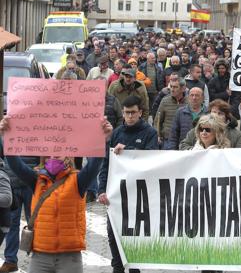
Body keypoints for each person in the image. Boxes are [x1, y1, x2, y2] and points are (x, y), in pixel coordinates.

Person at [0, 117, 112, 273]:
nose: (54, 154)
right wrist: (7, 138)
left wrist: (102, 140)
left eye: (59, 150)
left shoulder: (78, 180)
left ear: (69, 155)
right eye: (50, 151)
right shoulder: (36, 180)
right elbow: (15, 164)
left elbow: (95, 164)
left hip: (70, 257)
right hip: (40, 257)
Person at [98, 96, 157, 273]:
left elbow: (151, 161)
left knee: (134, 244)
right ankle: (117, 266)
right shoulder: (116, 133)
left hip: (139, 196)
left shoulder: (150, 133)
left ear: (140, 112)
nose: (129, 116)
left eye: (133, 112)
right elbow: (106, 164)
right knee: (114, 237)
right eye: (126, 113)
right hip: (116, 195)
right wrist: (102, 189)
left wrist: (129, 152)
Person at [0, 144, 34, 273]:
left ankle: (38, 259)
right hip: (11, 184)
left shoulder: (38, 128)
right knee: (12, 224)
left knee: (35, 222)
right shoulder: (5, 130)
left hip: (31, 184)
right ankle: (10, 261)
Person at [156, 78, 187, 150]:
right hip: (167, 139)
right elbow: (158, 120)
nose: (172, 89)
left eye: (175, 87)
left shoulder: (189, 102)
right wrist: (158, 135)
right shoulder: (165, 101)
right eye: (171, 87)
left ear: (183, 88)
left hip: (184, 139)